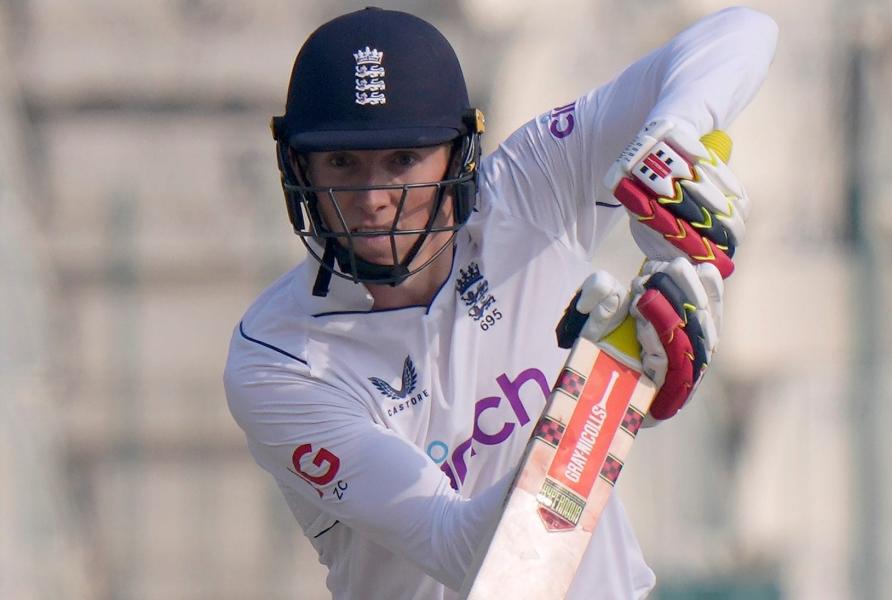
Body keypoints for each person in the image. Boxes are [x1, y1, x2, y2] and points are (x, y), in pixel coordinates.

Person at [224, 6, 777, 599]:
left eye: (403, 160)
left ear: (459, 155)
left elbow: (745, 31)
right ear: (297, 167)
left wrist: (672, 140)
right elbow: (458, 546)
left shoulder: (526, 190)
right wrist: (603, 394)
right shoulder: (278, 361)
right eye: (341, 163)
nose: (373, 198)